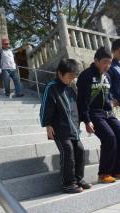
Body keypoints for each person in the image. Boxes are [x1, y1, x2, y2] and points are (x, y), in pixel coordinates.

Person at [77, 47, 120, 184]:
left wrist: (111, 100)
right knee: (109, 137)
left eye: (109, 62)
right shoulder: (86, 76)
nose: (107, 66)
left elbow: (108, 92)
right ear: (96, 60)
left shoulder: (108, 75)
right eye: (104, 62)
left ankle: (118, 170)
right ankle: (104, 173)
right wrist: (86, 120)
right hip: (94, 114)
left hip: (108, 113)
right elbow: (82, 100)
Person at [40, 58, 92, 193]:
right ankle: (68, 183)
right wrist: (47, 124)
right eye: (69, 77)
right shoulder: (51, 87)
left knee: (79, 149)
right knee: (68, 151)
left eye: (73, 77)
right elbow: (46, 107)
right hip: (59, 129)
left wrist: (81, 123)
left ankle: (78, 179)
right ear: (60, 73)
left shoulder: (70, 90)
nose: (72, 80)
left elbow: (74, 109)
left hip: (73, 129)